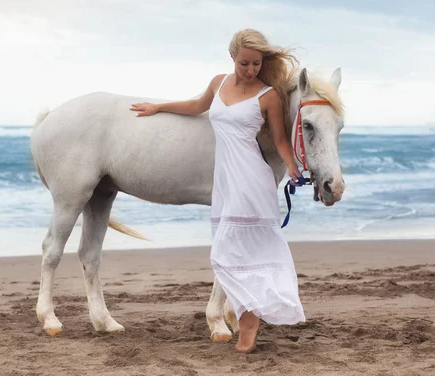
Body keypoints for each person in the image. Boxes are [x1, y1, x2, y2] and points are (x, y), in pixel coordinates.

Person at [130, 29, 306, 353]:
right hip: (225, 181)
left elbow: (280, 140)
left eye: (256, 63)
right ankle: (241, 318)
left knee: (238, 250)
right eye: (244, 63)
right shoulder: (218, 82)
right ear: (232, 58)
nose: (250, 69)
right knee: (231, 251)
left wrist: (293, 167)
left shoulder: (267, 95)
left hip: (252, 180)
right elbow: (196, 106)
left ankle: (248, 326)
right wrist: (159, 107)